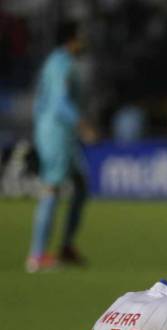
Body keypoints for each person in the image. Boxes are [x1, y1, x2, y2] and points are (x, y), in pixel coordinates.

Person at [27, 20, 95, 273]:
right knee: (52, 188)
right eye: (81, 37)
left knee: (80, 185)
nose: (85, 42)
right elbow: (58, 102)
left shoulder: (62, 62)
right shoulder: (60, 64)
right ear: (71, 40)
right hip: (55, 132)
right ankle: (36, 256)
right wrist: (82, 125)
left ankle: (65, 247)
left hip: (62, 134)